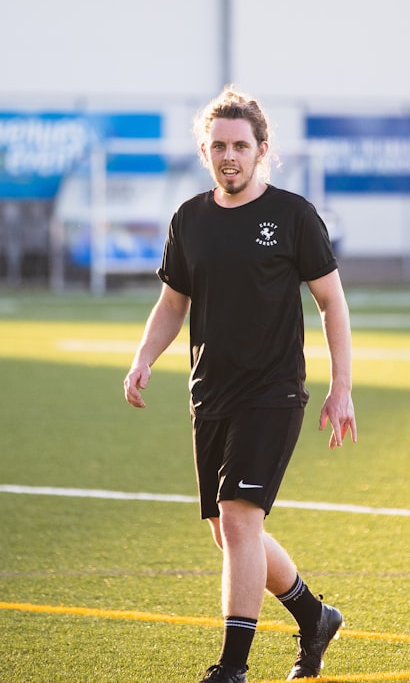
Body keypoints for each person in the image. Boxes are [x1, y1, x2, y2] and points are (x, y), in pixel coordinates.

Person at [123, 86, 357, 683]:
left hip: (273, 391)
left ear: (262, 150)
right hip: (210, 393)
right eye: (219, 146)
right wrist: (144, 356)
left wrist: (342, 387)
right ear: (205, 150)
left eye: (240, 146)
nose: (230, 156)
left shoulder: (293, 215)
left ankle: (232, 668)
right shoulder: (190, 220)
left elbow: (332, 303)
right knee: (227, 534)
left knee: (239, 519)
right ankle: (313, 615)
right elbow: (173, 302)